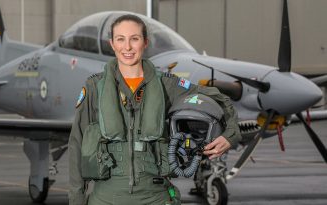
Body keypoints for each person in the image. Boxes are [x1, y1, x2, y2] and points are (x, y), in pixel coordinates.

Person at [67, 14, 241, 205]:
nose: (127, 47)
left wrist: (230, 135)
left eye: (135, 39)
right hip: (107, 196)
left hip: (155, 195)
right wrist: (77, 200)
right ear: (112, 44)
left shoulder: (167, 84)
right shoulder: (94, 87)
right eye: (120, 39)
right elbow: (77, 143)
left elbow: (217, 97)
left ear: (145, 42)